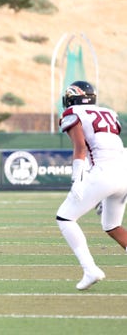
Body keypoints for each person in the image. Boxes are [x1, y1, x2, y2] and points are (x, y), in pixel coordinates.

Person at [56, 80, 127, 290]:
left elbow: (80, 149)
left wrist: (76, 179)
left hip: (104, 173)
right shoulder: (109, 113)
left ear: (72, 97)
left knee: (65, 217)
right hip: (123, 172)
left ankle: (90, 270)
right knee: (112, 226)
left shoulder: (73, 112)